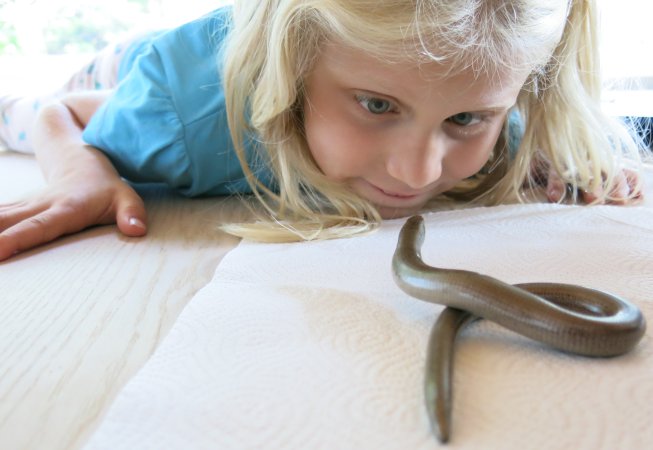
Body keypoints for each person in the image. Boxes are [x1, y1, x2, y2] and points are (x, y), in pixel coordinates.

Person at [0, 0, 646, 261]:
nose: (418, 173)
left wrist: (554, 163)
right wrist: (78, 171)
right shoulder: (178, 123)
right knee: (23, 114)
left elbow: (531, 131)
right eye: (374, 105)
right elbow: (67, 114)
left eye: (465, 119)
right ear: (296, 72)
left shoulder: (482, 79)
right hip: (130, 65)